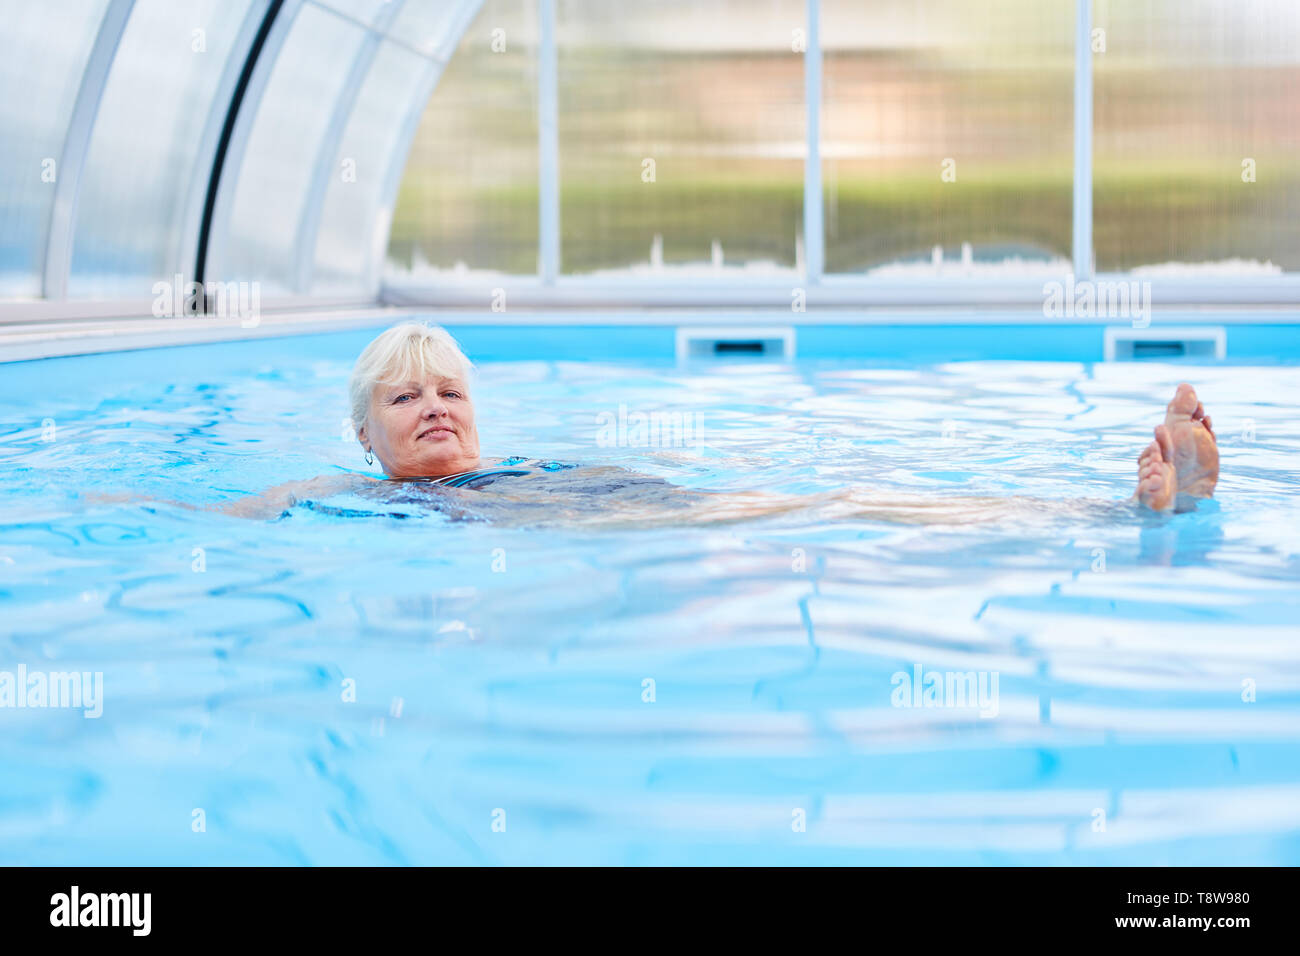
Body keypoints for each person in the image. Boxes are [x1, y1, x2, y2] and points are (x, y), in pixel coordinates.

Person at [216, 322, 1219, 524]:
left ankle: (1112, 507)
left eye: (449, 392)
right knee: (826, 504)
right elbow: (263, 504)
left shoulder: (514, 465)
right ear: (364, 437)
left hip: (582, 505)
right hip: (562, 517)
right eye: (404, 397)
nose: (433, 405)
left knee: (823, 504)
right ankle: (1115, 506)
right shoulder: (353, 497)